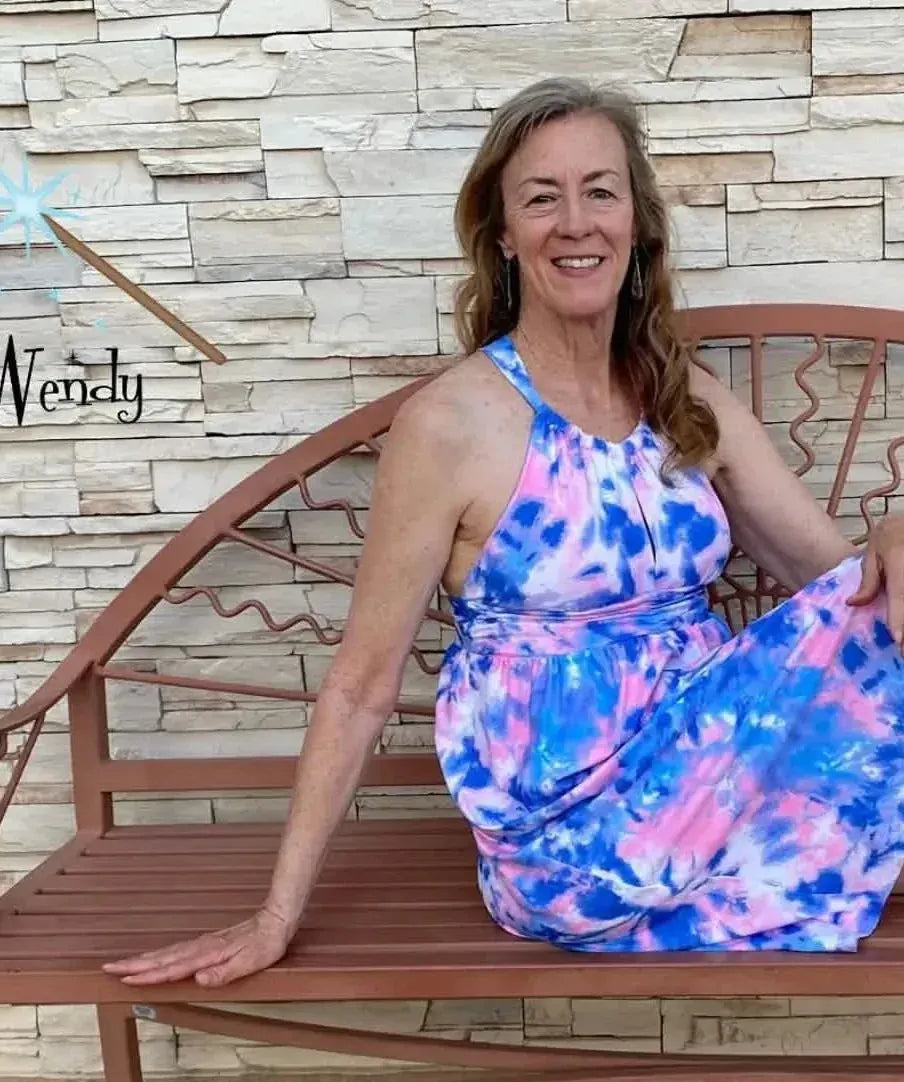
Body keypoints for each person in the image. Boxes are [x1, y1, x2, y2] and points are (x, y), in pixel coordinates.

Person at [104, 77, 904, 988]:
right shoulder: (452, 424)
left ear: (637, 225)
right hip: (578, 838)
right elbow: (363, 686)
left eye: (600, 191)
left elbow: (849, 590)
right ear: (504, 238)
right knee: (860, 810)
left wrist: (896, 528)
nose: (575, 222)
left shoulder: (684, 402)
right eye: (541, 197)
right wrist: (276, 912)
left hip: (714, 771)